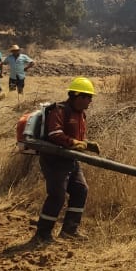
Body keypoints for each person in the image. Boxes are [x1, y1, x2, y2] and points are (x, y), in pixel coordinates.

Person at [32, 76, 101, 244]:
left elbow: (76, 138)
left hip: (70, 159)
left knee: (81, 190)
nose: (90, 101)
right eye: (88, 97)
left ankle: (70, 230)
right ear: (78, 96)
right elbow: (54, 134)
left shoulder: (81, 115)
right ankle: (42, 234)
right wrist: (73, 143)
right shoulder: (60, 110)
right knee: (57, 195)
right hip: (54, 160)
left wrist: (85, 144)